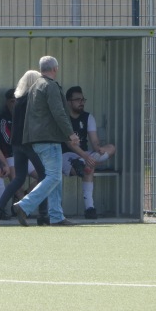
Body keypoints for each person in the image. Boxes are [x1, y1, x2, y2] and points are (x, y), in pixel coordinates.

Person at [12, 56, 80, 226]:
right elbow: (59, 112)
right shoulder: (50, 86)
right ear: (55, 69)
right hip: (49, 138)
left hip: (36, 139)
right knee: (54, 176)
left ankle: (56, 216)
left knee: (54, 176)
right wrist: (70, 134)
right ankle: (24, 205)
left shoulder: (35, 86)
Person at [0, 72, 49, 226]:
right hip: (29, 142)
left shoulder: (18, 101)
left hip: (16, 145)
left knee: (19, 178)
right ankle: (43, 214)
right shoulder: (34, 100)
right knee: (45, 177)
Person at [62, 86, 116, 219]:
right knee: (88, 167)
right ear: (69, 102)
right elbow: (70, 144)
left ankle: (84, 164)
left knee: (111, 148)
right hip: (66, 155)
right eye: (77, 99)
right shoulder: (63, 118)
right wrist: (86, 157)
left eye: (83, 99)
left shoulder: (88, 117)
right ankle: (90, 208)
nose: (81, 102)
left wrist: (98, 149)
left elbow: (94, 140)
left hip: (86, 155)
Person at [0, 87, 40, 216]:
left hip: (28, 155)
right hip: (10, 156)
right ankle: (21, 208)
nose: (15, 104)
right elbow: (8, 140)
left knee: (44, 177)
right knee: (18, 179)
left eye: (17, 101)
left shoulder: (27, 117)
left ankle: (22, 198)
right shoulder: (2, 119)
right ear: (7, 102)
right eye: (12, 101)